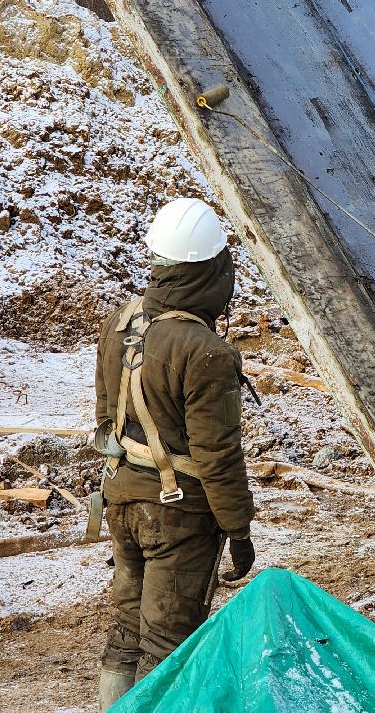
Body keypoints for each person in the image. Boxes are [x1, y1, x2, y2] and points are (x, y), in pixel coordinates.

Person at [93, 198, 256, 709]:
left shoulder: (121, 322)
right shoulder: (204, 350)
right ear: (213, 270)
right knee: (171, 644)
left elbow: (103, 418)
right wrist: (239, 528)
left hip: (120, 499)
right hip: (178, 515)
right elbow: (217, 454)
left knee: (125, 631)